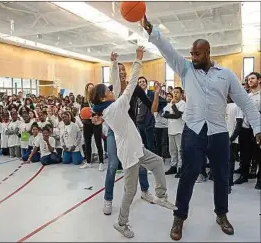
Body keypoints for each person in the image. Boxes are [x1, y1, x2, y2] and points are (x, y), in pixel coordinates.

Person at [141, 15, 261, 240]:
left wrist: (258, 128)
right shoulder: (186, 69)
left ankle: (221, 214)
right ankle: (179, 217)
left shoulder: (225, 75)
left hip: (218, 133)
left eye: (197, 53)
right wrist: (152, 32)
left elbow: (245, 102)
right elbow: (168, 51)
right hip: (193, 132)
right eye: (191, 53)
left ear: (208, 53)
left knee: (222, 176)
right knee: (188, 175)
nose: (192, 57)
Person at [89, 47, 177, 238]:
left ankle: (161, 196)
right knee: (131, 191)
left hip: (137, 148)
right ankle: (121, 222)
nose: (112, 90)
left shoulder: (108, 105)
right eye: (108, 91)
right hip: (129, 153)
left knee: (158, 162)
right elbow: (129, 86)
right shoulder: (115, 108)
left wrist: (112, 64)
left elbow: (116, 85)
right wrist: (138, 60)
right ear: (105, 97)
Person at [102, 51, 156, 216]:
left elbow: (151, 107)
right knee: (112, 166)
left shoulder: (134, 88)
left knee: (138, 161)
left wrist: (156, 96)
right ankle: (108, 200)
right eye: (119, 71)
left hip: (132, 130)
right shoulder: (112, 91)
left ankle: (145, 191)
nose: (122, 72)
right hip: (115, 132)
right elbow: (104, 109)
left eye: (123, 69)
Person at [79, 83, 104, 171]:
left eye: (92, 88)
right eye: (89, 88)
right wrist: (86, 118)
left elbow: (101, 110)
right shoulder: (84, 99)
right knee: (87, 143)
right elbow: (81, 112)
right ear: (86, 90)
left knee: (98, 142)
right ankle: (88, 162)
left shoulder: (98, 98)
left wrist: (96, 116)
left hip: (96, 123)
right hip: (87, 124)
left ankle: (101, 162)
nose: (90, 90)